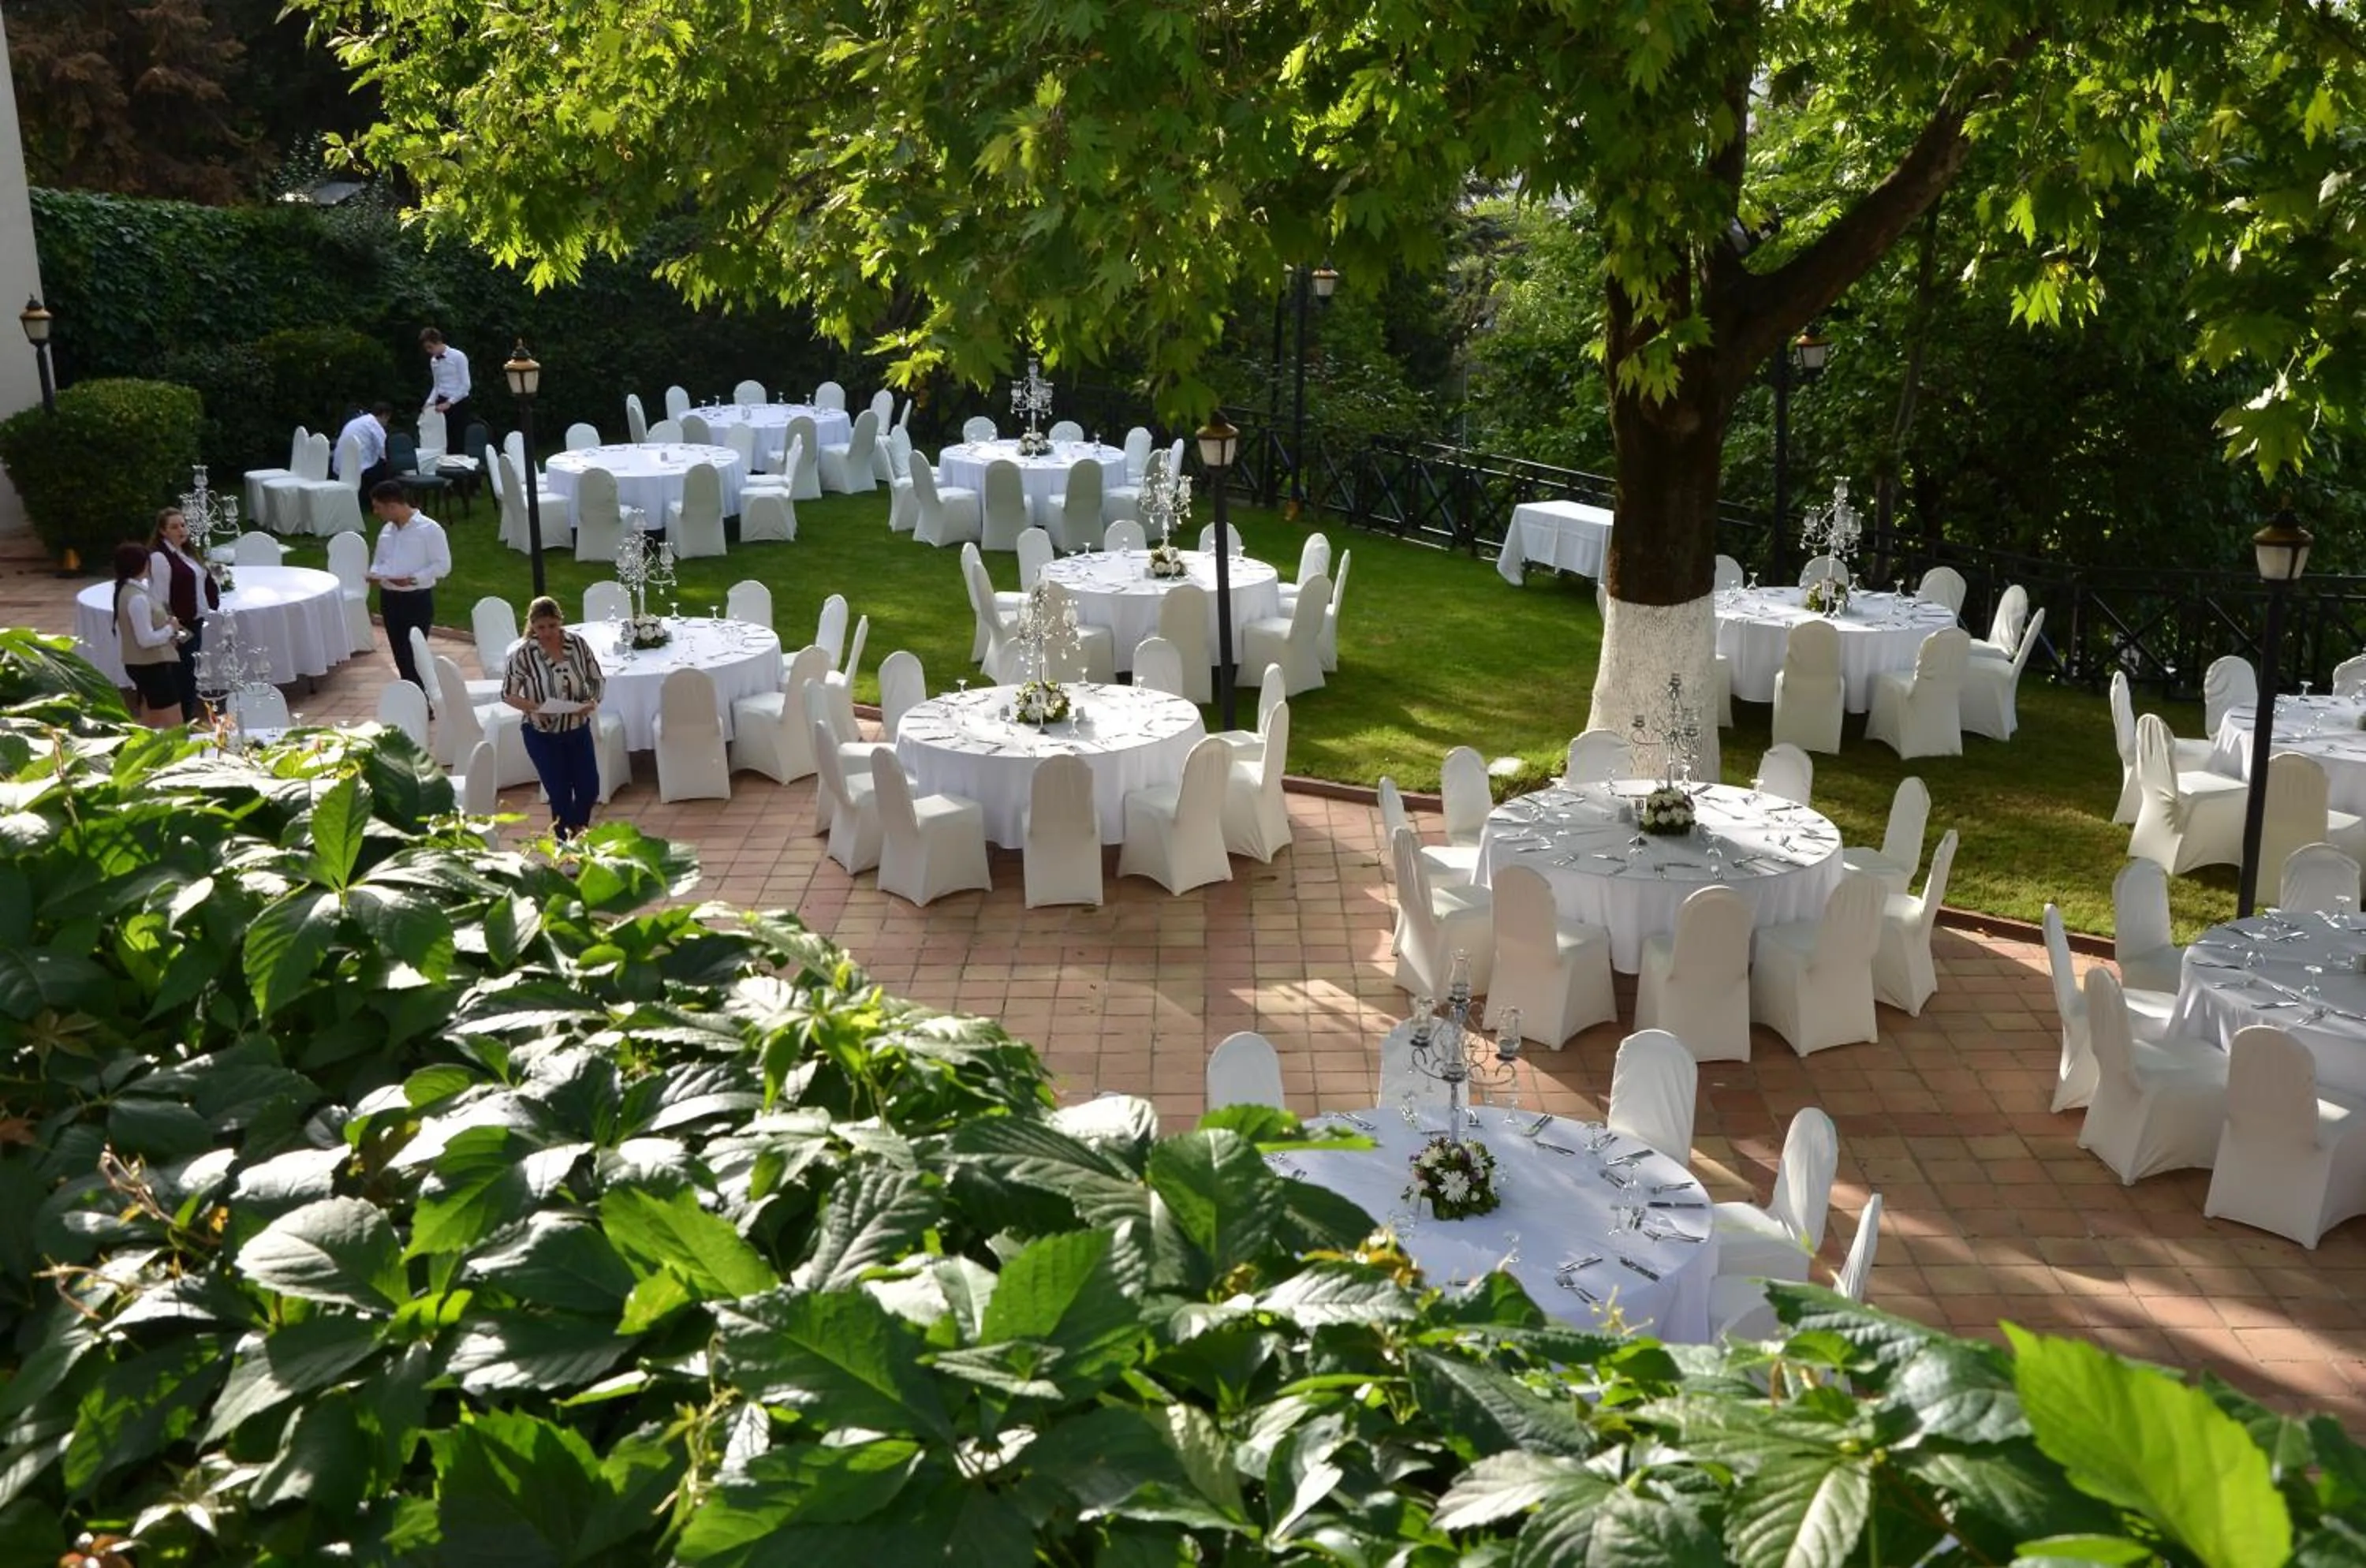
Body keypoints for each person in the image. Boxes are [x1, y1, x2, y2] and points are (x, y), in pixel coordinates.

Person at [502, 595, 606, 839]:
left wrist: (592, 701)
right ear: (532, 626)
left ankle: (578, 829)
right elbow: (508, 693)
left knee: (589, 788)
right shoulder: (524, 654)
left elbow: (596, 679)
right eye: (540, 627)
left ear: (560, 621)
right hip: (542, 734)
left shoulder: (578, 645)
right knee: (559, 794)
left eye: (552, 625)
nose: (547, 632)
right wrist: (536, 708)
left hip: (577, 729)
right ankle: (566, 845)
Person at [367, 480, 452, 693]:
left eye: (378, 507)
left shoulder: (430, 529)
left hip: (416, 599)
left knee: (413, 653)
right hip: (390, 599)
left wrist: (413, 579)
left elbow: (443, 565)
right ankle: (415, 698)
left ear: (392, 506)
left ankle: (425, 697)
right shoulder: (386, 531)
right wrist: (375, 573)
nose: (376, 512)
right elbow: (379, 560)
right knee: (399, 653)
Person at [146, 506, 221, 723]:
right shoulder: (161, 557)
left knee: (191, 672)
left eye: (183, 525)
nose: (181, 530)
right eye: (174, 526)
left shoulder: (186, 553)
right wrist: (174, 632)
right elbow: (161, 598)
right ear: (162, 531)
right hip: (181, 625)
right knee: (184, 675)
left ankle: (187, 718)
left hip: (196, 620)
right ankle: (183, 721)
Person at [112, 541, 185, 729]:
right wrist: (171, 628)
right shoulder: (137, 598)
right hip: (151, 666)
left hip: (143, 665)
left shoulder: (127, 591)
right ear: (144, 565)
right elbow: (145, 639)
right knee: (174, 722)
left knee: (152, 719)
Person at [337, 402, 394, 497]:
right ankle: (383, 497)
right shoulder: (374, 425)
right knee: (388, 467)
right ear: (385, 415)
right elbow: (386, 451)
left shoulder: (357, 421)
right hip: (359, 468)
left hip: (341, 466)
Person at [420, 328, 472, 432]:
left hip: (458, 402)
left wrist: (449, 403)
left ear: (439, 342)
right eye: (426, 348)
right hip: (441, 402)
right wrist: (429, 402)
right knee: (441, 437)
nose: (429, 351)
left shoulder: (458, 356)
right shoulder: (434, 360)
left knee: (457, 438)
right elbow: (437, 385)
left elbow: (466, 385)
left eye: (431, 347)